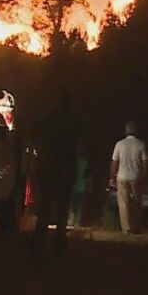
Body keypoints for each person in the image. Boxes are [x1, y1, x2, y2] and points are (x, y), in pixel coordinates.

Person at [31, 92, 81, 255]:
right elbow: (77, 146)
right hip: (65, 170)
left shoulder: (50, 120)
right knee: (62, 206)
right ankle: (59, 238)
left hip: (48, 167)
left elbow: (38, 138)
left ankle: (39, 236)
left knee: (45, 204)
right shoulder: (73, 122)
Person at [111, 121, 147, 235]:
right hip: (136, 176)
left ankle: (126, 229)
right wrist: (144, 175)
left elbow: (114, 162)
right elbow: (145, 162)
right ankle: (136, 227)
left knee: (123, 203)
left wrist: (112, 177)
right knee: (137, 202)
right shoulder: (141, 144)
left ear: (126, 131)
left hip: (122, 176)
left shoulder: (119, 144)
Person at [69, 141, 90, 228]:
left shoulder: (73, 161)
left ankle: (71, 221)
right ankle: (77, 222)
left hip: (75, 185)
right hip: (81, 185)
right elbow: (88, 175)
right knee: (79, 205)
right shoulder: (85, 162)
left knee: (72, 204)